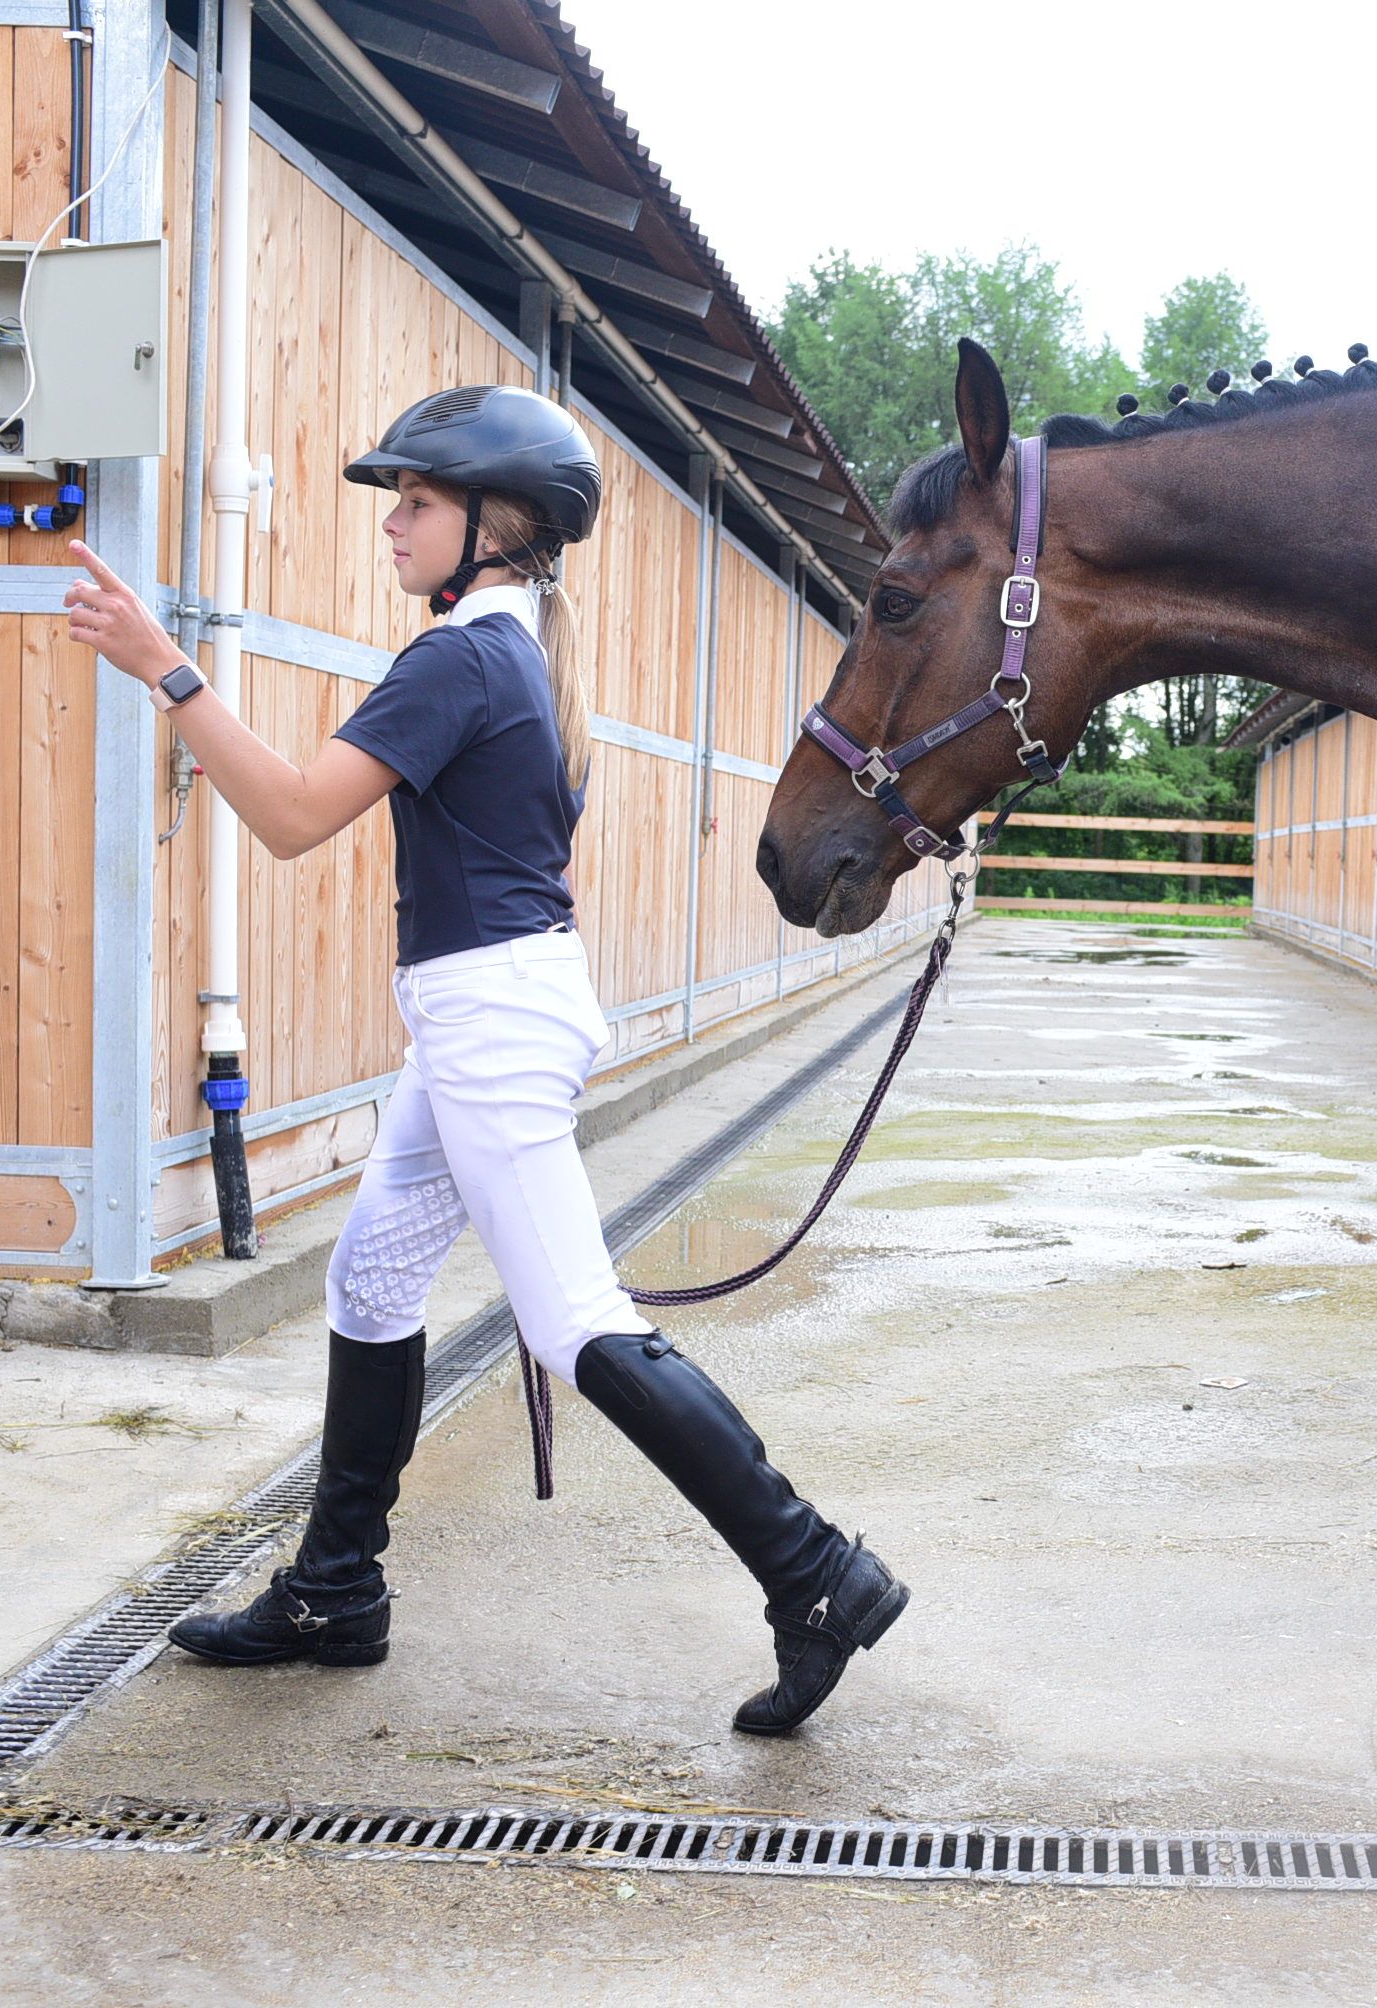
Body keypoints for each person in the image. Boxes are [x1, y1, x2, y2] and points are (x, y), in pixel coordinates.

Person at [61, 385, 906, 1735]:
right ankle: (337, 1590)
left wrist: (169, 668)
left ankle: (817, 1575)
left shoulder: (459, 660)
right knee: (374, 1271)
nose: (390, 526)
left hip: (492, 1024)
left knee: (574, 1323)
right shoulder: (516, 653)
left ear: (495, 527)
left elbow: (286, 816)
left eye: (416, 503)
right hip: (485, 1010)